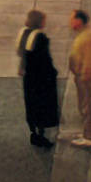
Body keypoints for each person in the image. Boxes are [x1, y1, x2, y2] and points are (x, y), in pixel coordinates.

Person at [16, 9, 59, 147]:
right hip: (40, 77)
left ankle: (33, 132)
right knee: (42, 103)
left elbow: (22, 54)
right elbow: (45, 59)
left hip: (28, 76)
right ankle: (41, 134)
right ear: (39, 22)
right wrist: (53, 72)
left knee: (31, 103)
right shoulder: (40, 38)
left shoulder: (23, 33)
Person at [67, 10, 91, 148]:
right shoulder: (85, 35)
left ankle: (89, 136)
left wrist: (84, 75)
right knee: (90, 102)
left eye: (72, 19)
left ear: (79, 21)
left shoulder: (87, 38)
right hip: (83, 75)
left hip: (85, 77)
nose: (70, 22)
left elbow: (90, 60)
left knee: (86, 105)